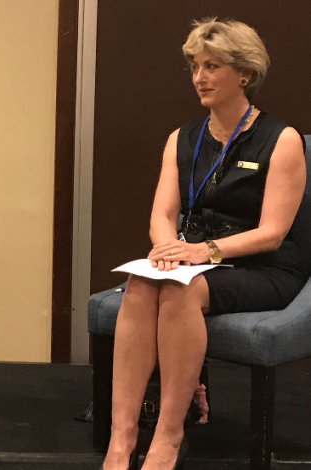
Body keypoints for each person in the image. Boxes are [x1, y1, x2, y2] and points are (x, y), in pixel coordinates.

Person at [101, 18, 307, 470]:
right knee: (140, 286)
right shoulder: (183, 138)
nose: (199, 77)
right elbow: (161, 215)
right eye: (195, 66)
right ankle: (122, 440)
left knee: (180, 290)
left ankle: (168, 438)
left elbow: (273, 232)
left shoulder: (282, 139)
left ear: (245, 73)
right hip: (194, 258)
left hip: (261, 266)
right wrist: (165, 250)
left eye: (212, 66)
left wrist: (204, 253)